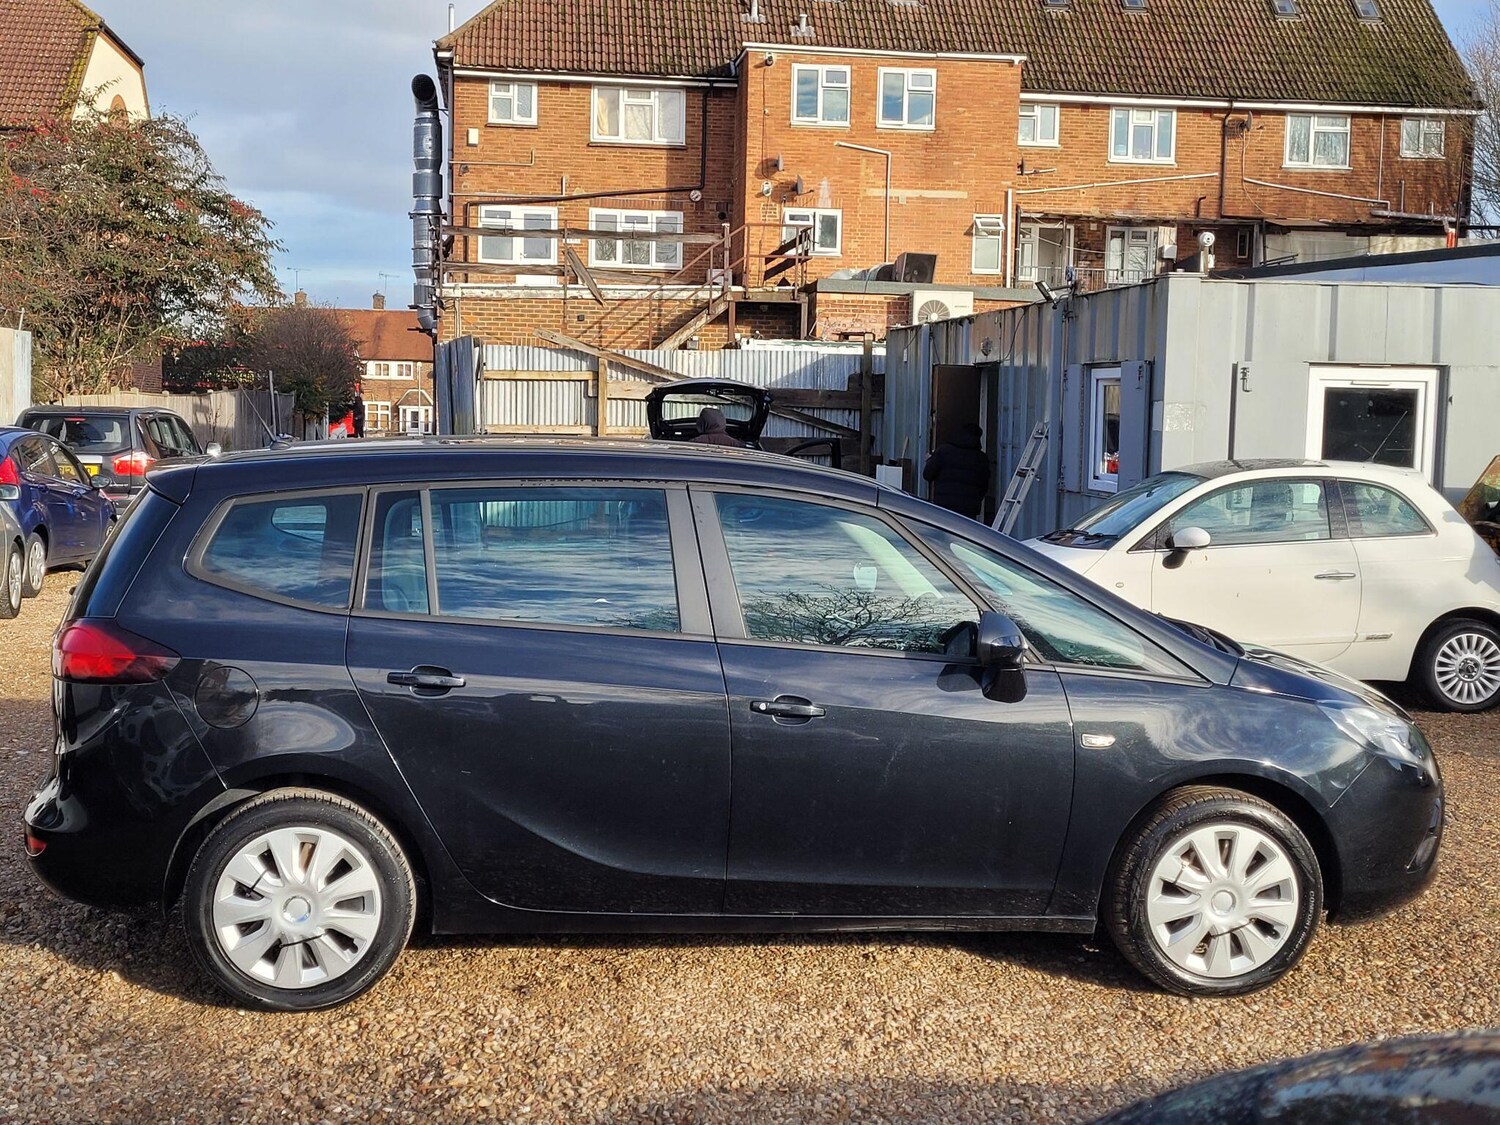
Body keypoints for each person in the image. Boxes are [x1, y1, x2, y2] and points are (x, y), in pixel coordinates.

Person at [923, 422, 990, 520]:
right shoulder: (981, 459)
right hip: (968, 510)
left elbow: (927, 475)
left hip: (943, 507)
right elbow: (984, 486)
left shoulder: (943, 451)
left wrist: (930, 460)